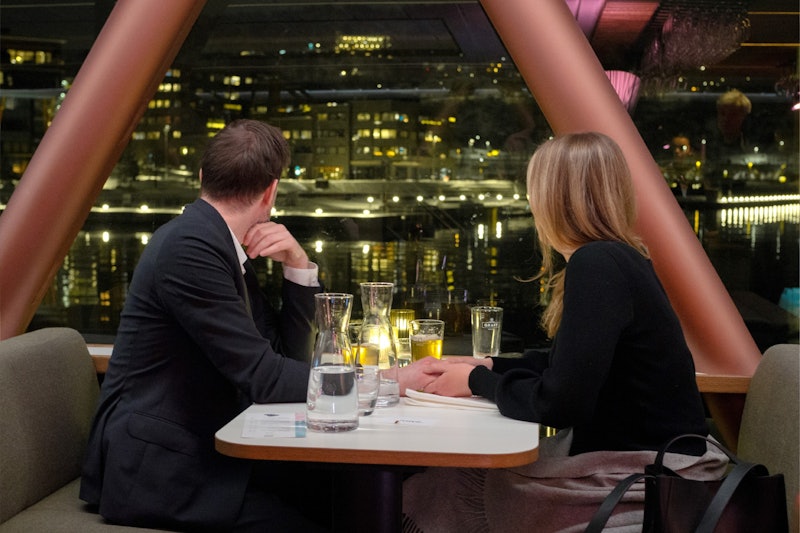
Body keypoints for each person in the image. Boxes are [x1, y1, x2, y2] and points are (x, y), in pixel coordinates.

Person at [399, 132, 728, 532]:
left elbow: (558, 403)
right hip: (670, 466)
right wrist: (490, 365)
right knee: (450, 479)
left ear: (553, 199)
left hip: (645, 479)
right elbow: (570, 366)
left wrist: (474, 381)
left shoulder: (596, 265)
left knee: (447, 483)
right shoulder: (623, 259)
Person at [80, 119, 330, 532]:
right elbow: (266, 378)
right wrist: (379, 382)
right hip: (158, 472)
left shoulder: (218, 243)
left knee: (337, 495)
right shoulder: (190, 247)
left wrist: (298, 266)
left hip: (199, 450)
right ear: (270, 192)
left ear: (201, 177)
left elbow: (285, 358)